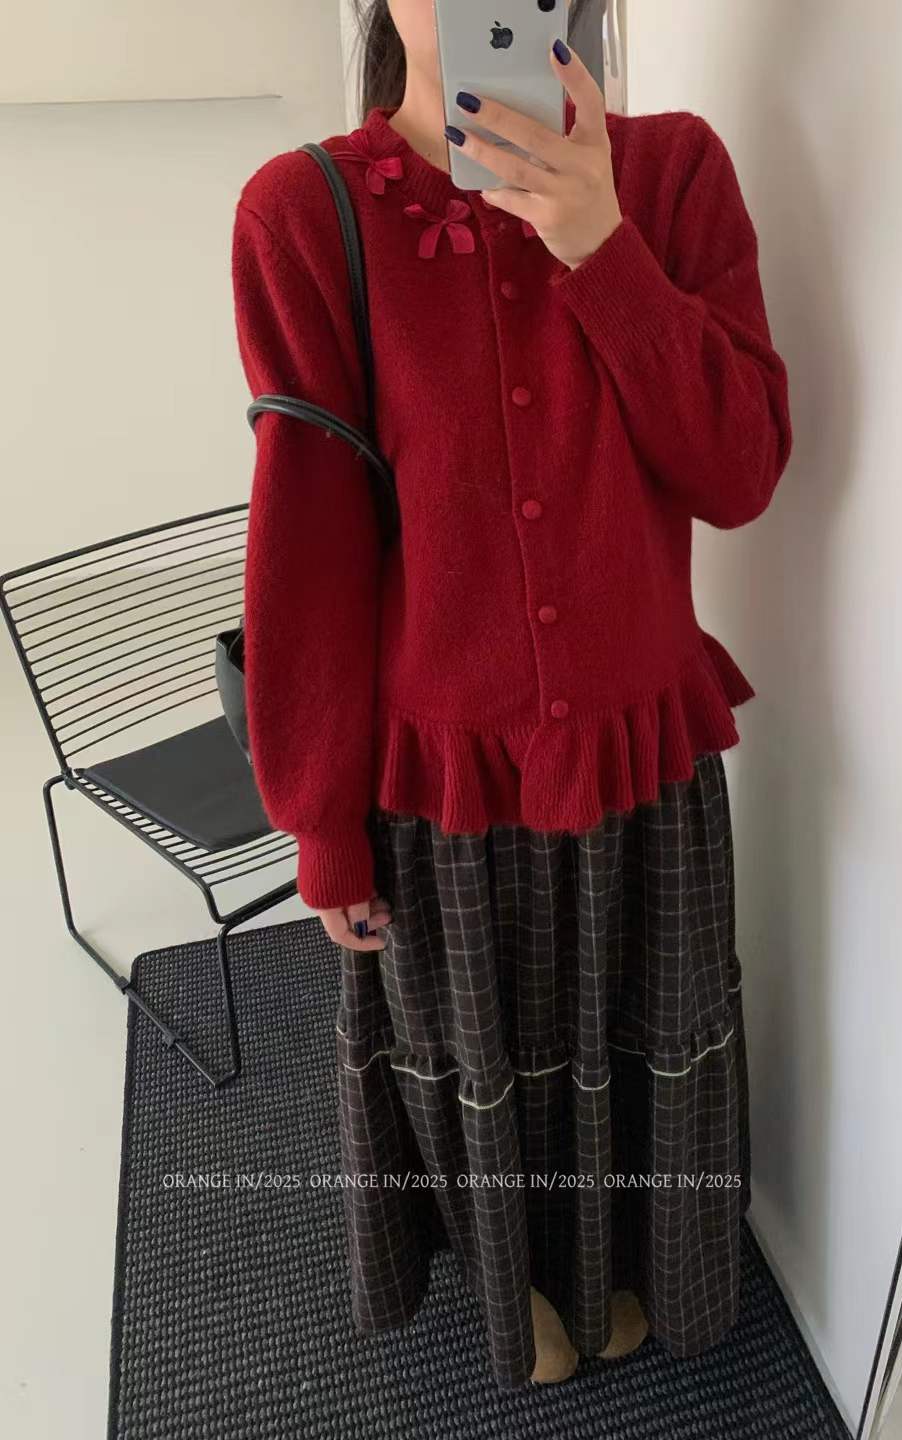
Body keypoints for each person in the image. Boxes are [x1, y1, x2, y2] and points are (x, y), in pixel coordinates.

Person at [230, 0, 791, 1392]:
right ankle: (517, 1288)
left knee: (637, 1044)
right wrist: (320, 818)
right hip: (443, 781)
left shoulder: (673, 173)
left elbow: (740, 472)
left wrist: (603, 247)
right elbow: (310, 541)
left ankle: (615, 1268)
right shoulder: (304, 215)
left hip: (641, 756)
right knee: (477, 1061)